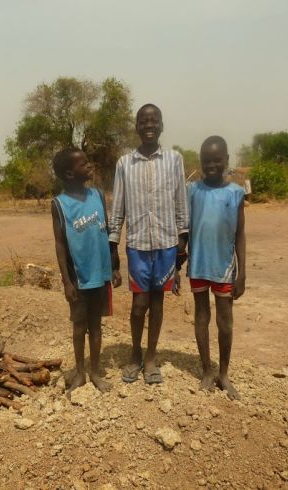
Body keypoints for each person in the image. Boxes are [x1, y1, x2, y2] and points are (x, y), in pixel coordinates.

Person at [109, 104, 189, 385]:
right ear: (136, 127)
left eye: (154, 121)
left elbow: (181, 203)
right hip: (138, 246)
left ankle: (152, 358)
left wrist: (182, 241)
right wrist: (113, 250)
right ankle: (135, 354)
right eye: (143, 121)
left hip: (167, 244)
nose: (149, 125)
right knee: (138, 305)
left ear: (162, 126)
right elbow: (117, 210)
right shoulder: (124, 164)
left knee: (157, 304)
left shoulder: (174, 160)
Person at [51, 148, 121, 395]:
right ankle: (79, 372)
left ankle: (94, 371)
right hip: (79, 278)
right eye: (84, 163)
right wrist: (66, 281)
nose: (90, 165)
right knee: (80, 327)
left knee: (97, 326)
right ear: (70, 173)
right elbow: (60, 244)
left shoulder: (98, 196)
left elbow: (108, 231)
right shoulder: (59, 204)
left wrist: (114, 265)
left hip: (100, 275)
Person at [187, 135, 246, 400]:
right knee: (201, 317)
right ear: (200, 162)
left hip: (224, 267)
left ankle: (223, 373)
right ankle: (206, 371)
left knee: (225, 322)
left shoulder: (235, 193)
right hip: (198, 265)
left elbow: (241, 234)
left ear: (226, 161)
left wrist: (242, 272)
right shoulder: (193, 191)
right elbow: (185, 229)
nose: (212, 165)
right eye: (206, 161)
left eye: (217, 160)